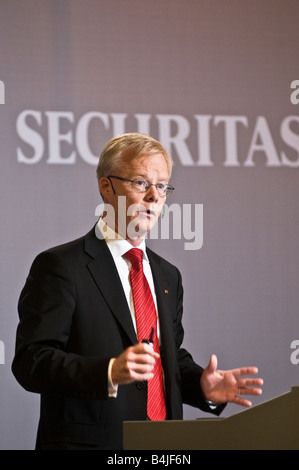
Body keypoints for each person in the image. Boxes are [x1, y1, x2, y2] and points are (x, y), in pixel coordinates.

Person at [12, 132, 263, 450]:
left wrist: (201, 385)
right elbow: (32, 361)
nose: (154, 197)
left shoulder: (167, 275)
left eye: (162, 186)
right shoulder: (61, 266)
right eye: (141, 183)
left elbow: (163, 360)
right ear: (107, 186)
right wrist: (108, 372)